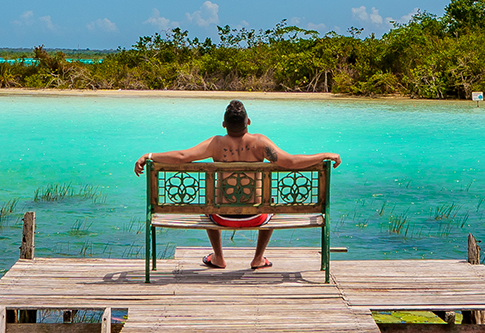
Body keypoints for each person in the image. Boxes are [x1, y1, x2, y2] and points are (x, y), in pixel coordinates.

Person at [134, 99, 341, 270]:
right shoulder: (260, 143)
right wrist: (324, 155)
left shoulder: (215, 143)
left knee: (209, 204)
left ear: (223, 124)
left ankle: (218, 257)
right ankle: (258, 258)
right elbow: (291, 162)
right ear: (248, 121)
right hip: (257, 216)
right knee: (272, 203)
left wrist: (149, 155)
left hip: (220, 216)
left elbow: (182, 156)